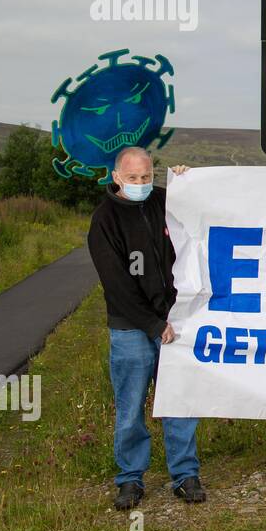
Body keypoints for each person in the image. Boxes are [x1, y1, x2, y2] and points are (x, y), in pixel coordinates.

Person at [86, 147, 205, 510]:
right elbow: (117, 284)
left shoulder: (164, 203)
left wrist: (188, 182)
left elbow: (201, 217)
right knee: (130, 406)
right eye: (133, 178)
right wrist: (154, 325)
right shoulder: (104, 220)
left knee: (179, 401)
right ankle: (130, 479)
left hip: (174, 319)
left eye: (147, 177)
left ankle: (185, 474)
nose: (141, 184)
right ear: (116, 177)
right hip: (131, 329)